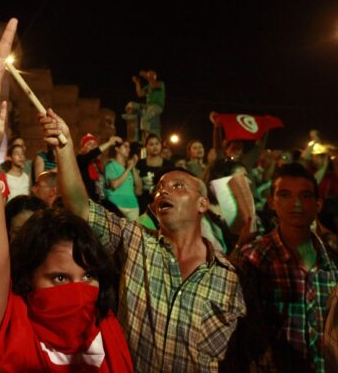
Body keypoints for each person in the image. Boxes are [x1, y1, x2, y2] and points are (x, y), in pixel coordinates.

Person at [0, 12, 133, 372]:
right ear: (26, 280)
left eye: (89, 277)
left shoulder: (108, 330)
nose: (79, 291)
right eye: (60, 279)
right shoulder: (4, 331)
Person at [40, 108, 246, 372]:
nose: (163, 193)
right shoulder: (136, 242)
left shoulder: (227, 278)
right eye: (159, 189)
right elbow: (81, 209)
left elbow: (237, 356)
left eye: (178, 186)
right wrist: (65, 147)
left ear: (203, 203)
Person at [230, 163, 338, 372]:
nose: (296, 203)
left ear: (318, 205)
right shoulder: (254, 257)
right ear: (272, 202)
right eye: (285, 194)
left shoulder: (331, 261)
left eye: (305, 195)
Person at [76, 132, 122, 203]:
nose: (93, 146)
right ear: (83, 148)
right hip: (88, 202)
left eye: (94, 144)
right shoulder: (80, 159)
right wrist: (109, 143)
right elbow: (93, 153)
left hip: (101, 200)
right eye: (89, 144)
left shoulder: (97, 164)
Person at [104, 141, 142, 221]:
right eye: (125, 146)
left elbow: (139, 190)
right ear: (117, 149)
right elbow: (114, 185)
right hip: (117, 206)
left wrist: (133, 167)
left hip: (133, 206)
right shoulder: (111, 165)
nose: (129, 149)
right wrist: (128, 169)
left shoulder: (128, 167)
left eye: (129, 147)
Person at [136, 134, 174, 213]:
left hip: (162, 200)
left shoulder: (168, 164)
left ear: (161, 146)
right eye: (151, 144)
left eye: (157, 144)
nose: (155, 147)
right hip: (144, 201)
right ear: (146, 147)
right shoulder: (140, 163)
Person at [132, 70, 165, 140]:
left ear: (155, 76)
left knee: (144, 119)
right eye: (148, 75)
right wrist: (137, 83)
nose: (149, 77)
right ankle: (148, 134)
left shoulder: (160, 83)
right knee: (143, 117)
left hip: (157, 105)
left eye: (151, 75)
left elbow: (154, 84)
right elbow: (140, 94)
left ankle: (149, 136)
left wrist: (145, 76)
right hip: (149, 106)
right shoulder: (147, 87)